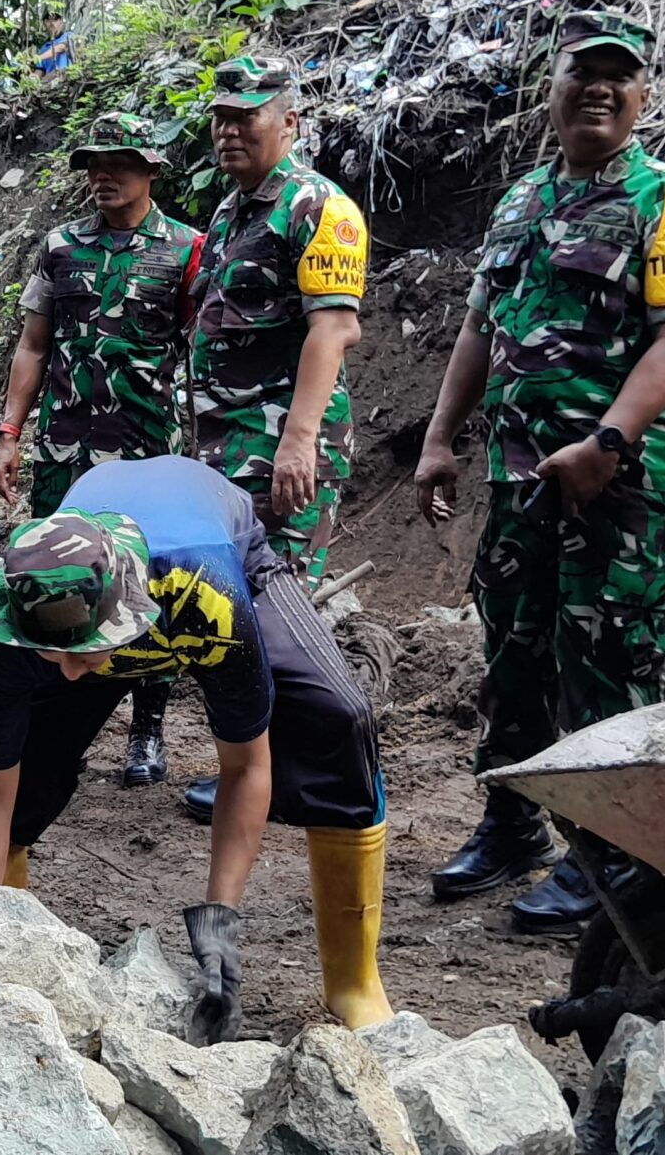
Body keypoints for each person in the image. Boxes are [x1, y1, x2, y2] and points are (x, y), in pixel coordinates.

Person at [414, 12, 665, 932]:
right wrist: (441, 439)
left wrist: (608, 445)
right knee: (512, 649)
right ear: (548, 89)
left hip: (618, 481)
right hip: (522, 476)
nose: (598, 87)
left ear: (644, 95)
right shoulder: (519, 202)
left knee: (606, 660)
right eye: (580, 72)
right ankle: (511, 823)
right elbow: (480, 329)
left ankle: (618, 856)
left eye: (618, 75)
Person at [0, 457, 392, 1035]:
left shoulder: (207, 595)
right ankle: (9, 949)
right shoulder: (14, 614)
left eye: (86, 655)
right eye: (59, 658)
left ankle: (354, 983)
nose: (76, 675)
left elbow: (245, 765)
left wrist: (218, 937)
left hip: (210, 553)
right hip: (92, 593)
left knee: (338, 718)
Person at [178, 55, 370, 824]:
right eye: (221, 116)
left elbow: (334, 328)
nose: (230, 129)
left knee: (281, 603)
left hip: (280, 446)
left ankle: (309, 770)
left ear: (289, 121)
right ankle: (259, 767)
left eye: (247, 115)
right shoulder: (230, 214)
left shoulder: (319, 206)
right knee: (243, 610)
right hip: (226, 448)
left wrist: (300, 441)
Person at [0, 111, 201, 786]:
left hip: (146, 452)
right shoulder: (60, 246)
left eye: (118, 162)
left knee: (148, 578)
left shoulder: (187, 249)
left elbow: (202, 350)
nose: (102, 174)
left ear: (151, 170)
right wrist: (9, 435)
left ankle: (148, 726)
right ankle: (58, 719)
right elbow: (32, 344)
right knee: (57, 575)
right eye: (92, 163)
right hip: (64, 452)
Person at [35, 13, 73, 77]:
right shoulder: (44, 48)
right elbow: (40, 69)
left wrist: (38, 58)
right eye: (48, 20)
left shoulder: (69, 36)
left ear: (61, 22)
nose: (52, 23)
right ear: (44, 23)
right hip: (50, 82)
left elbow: (60, 48)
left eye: (55, 20)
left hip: (68, 78)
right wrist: (35, 76)